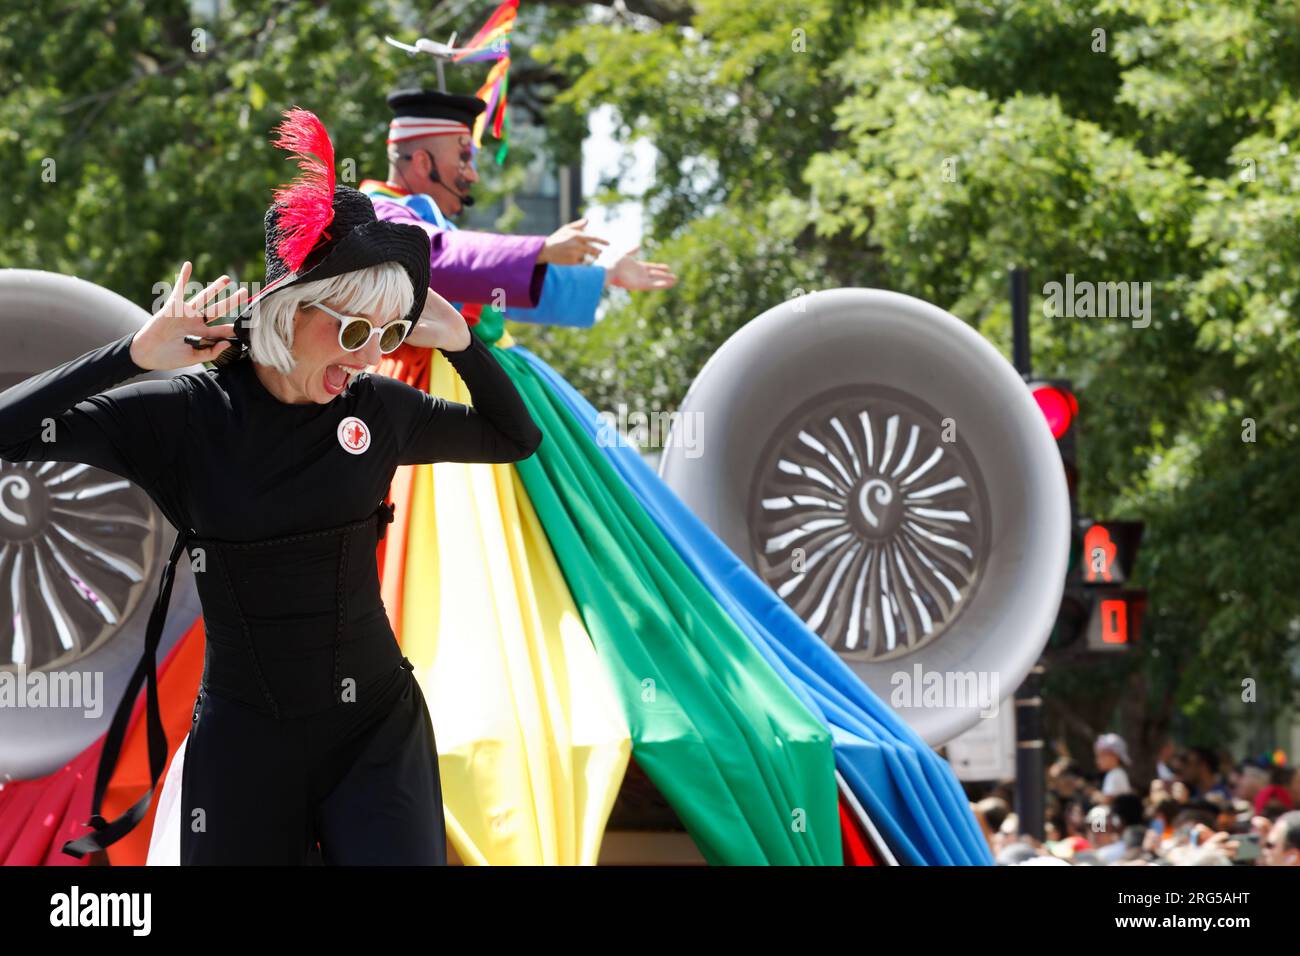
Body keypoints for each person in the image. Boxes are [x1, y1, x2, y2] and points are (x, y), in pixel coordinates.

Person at [0, 108, 542, 864]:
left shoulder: (376, 410)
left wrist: (463, 343)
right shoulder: (185, 416)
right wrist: (130, 355)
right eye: (353, 330)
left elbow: (515, 438)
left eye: (387, 334)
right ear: (291, 309)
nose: (367, 357)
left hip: (376, 731)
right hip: (244, 741)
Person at [1093, 732, 1133, 802]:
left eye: (1101, 756)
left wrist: (1092, 794)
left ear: (1114, 757)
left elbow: (1107, 800)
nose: (1098, 761)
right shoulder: (1116, 773)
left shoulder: (1115, 774)